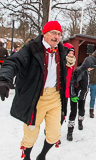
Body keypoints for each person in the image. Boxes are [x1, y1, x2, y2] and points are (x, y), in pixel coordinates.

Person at [0, 21, 72, 160]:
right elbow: (13, 62)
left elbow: (65, 71)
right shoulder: (32, 48)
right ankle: (27, 156)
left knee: (54, 133)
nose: (56, 37)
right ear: (45, 33)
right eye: (53, 33)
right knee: (31, 133)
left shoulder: (61, 50)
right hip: (36, 96)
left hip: (55, 96)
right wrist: (4, 79)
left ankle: (42, 155)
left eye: (59, 34)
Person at [67, 56, 96, 141]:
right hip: (75, 95)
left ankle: (80, 122)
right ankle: (70, 131)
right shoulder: (79, 71)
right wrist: (73, 94)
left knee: (81, 110)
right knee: (73, 112)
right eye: (91, 67)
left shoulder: (87, 71)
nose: (91, 69)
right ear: (88, 65)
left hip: (82, 95)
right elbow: (72, 82)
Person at [62, 43, 76, 124]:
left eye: (72, 53)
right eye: (69, 52)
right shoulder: (62, 61)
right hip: (59, 90)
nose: (71, 55)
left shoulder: (72, 63)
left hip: (67, 90)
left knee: (64, 111)